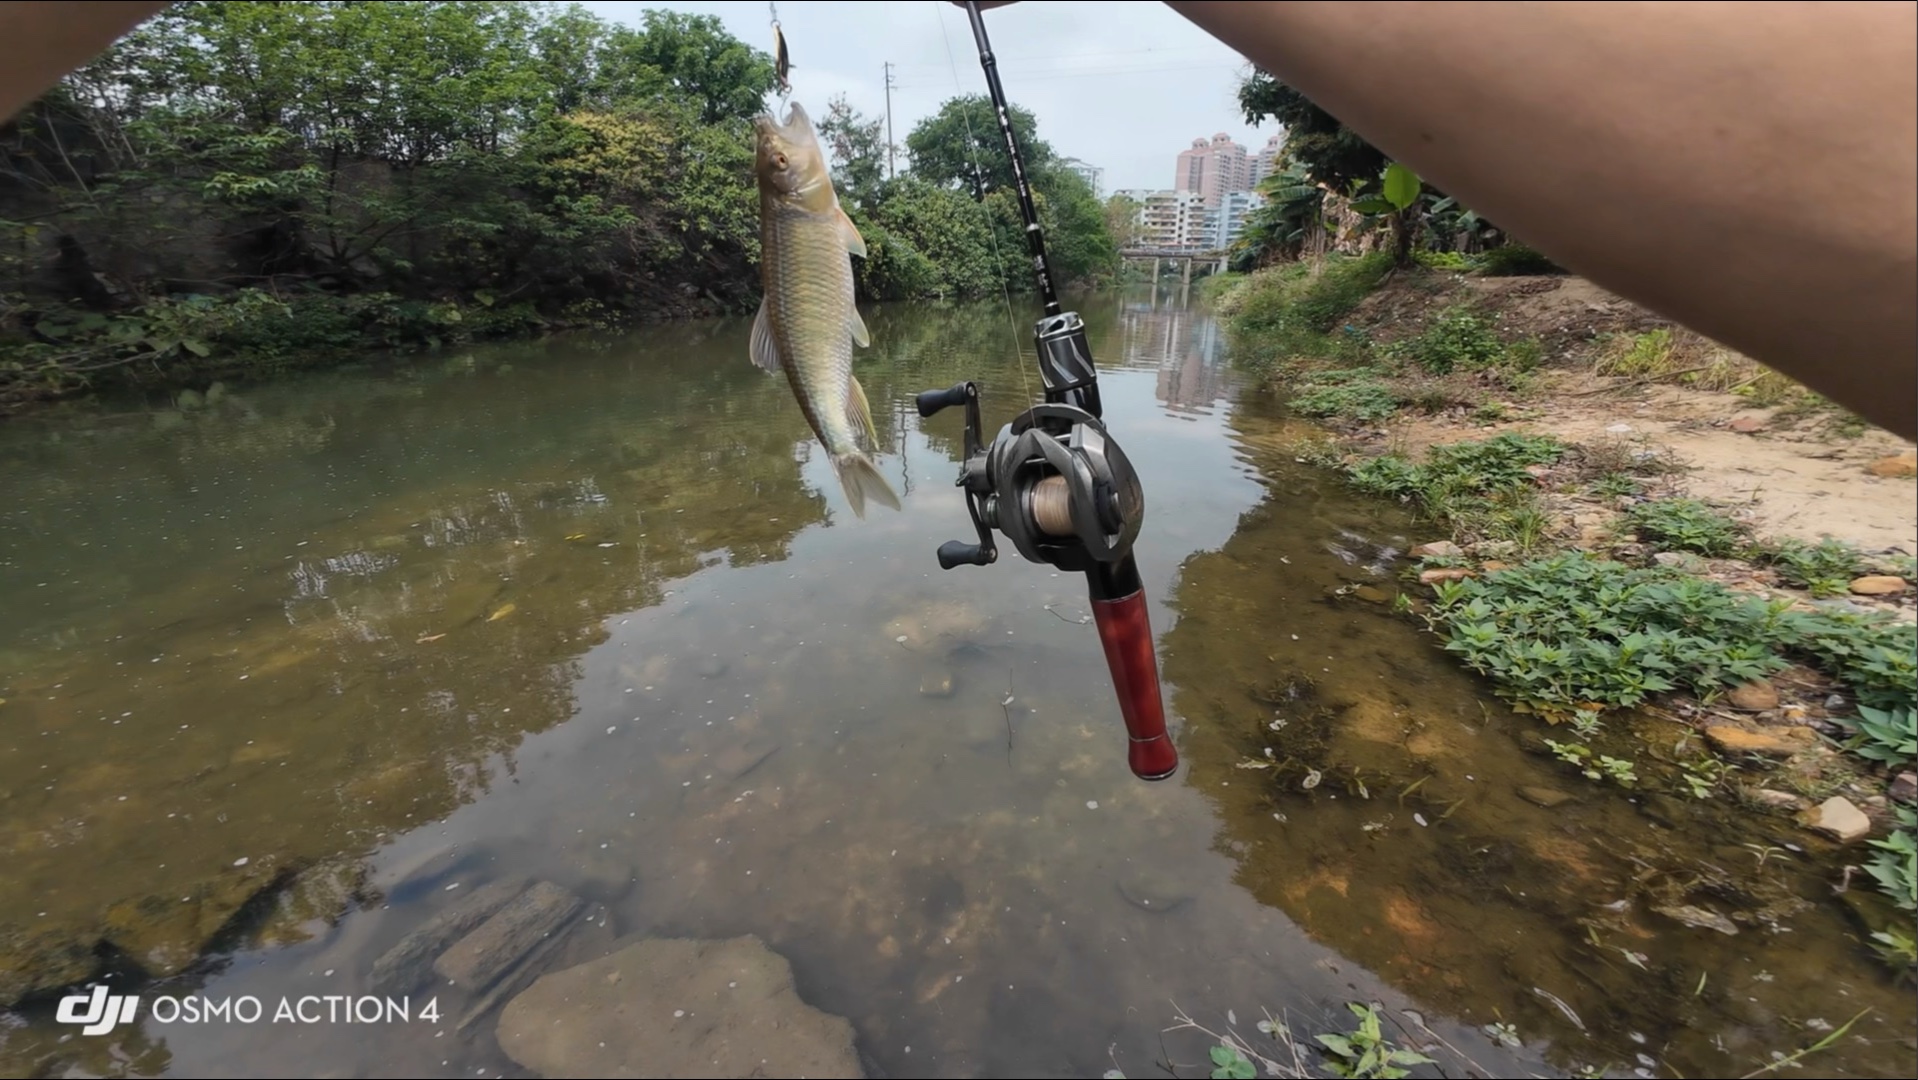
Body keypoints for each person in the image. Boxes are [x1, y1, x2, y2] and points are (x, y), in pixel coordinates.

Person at [4, 2, 1912, 439]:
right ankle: (838, 440)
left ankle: (839, 440)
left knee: (836, 393)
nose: (787, 157)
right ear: (800, 188)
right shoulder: (810, 205)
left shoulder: (808, 196)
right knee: (829, 392)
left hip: (819, 335)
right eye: (784, 165)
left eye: (788, 161)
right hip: (813, 346)